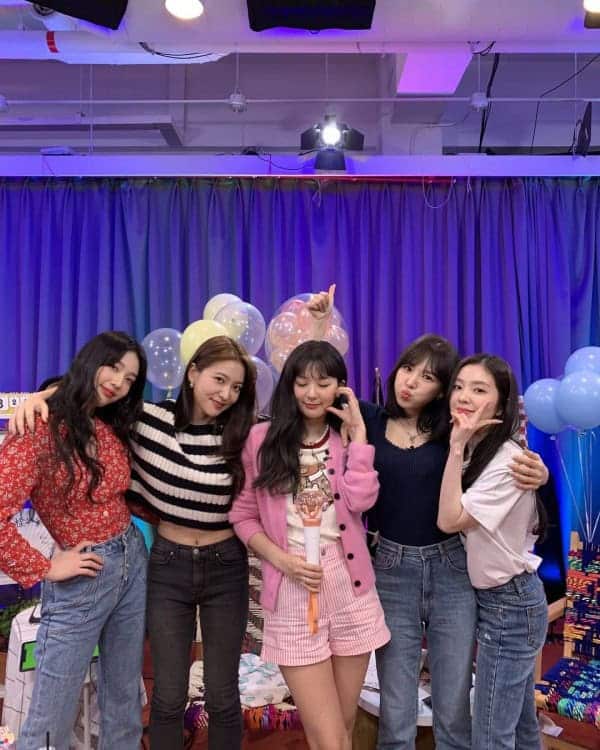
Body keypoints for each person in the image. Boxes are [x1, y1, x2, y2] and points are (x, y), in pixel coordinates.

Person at [305, 291, 548, 750]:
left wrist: (542, 471)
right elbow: (321, 382)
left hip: (451, 568)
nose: (411, 382)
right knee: (396, 706)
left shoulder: (456, 432)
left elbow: (505, 455)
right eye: (408, 369)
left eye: (429, 377)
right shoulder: (368, 419)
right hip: (390, 568)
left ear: (442, 389)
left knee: (452, 704)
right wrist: (319, 328)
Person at [11, 335, 258, 750]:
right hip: (130, 568)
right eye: (219, 379)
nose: (226, 394)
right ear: (192, 373)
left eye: (236, 387)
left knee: (169, 699)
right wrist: (39, 398)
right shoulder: (126, 422)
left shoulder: (240, 433)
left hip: (182, 564)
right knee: (137, 699)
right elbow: (89, 391)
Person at [229, 340, 390, 750]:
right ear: (290, 386)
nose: (312, 393)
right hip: (293, 586)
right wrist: (282, 561)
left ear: (341, 387)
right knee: (328, 737)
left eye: (323, 382)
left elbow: (362, 501)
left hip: (350, 585)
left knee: (345, 725)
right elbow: (242, 516)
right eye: (302, 383)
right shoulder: (261, 440)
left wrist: (359, 439)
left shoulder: (345, 439)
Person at [0, 331, 148, 750]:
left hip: (131, 560)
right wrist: (45, 567)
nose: (119, 382)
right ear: (90, 360)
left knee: (123, 703)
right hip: (84, 575)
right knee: (52, 715)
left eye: (130, 378)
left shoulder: (105, 421)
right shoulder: (37, 427)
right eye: (113, 367)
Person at [437, 354, 548, 750]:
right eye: (459, 386)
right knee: (521, 727)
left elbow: (450, 520)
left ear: (501, 405)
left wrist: (455, 446)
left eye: (479, 389)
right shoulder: (479, 448)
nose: (464, 396)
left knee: (490, 735)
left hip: (511, 606)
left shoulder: (507, 461)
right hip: (501, 602)